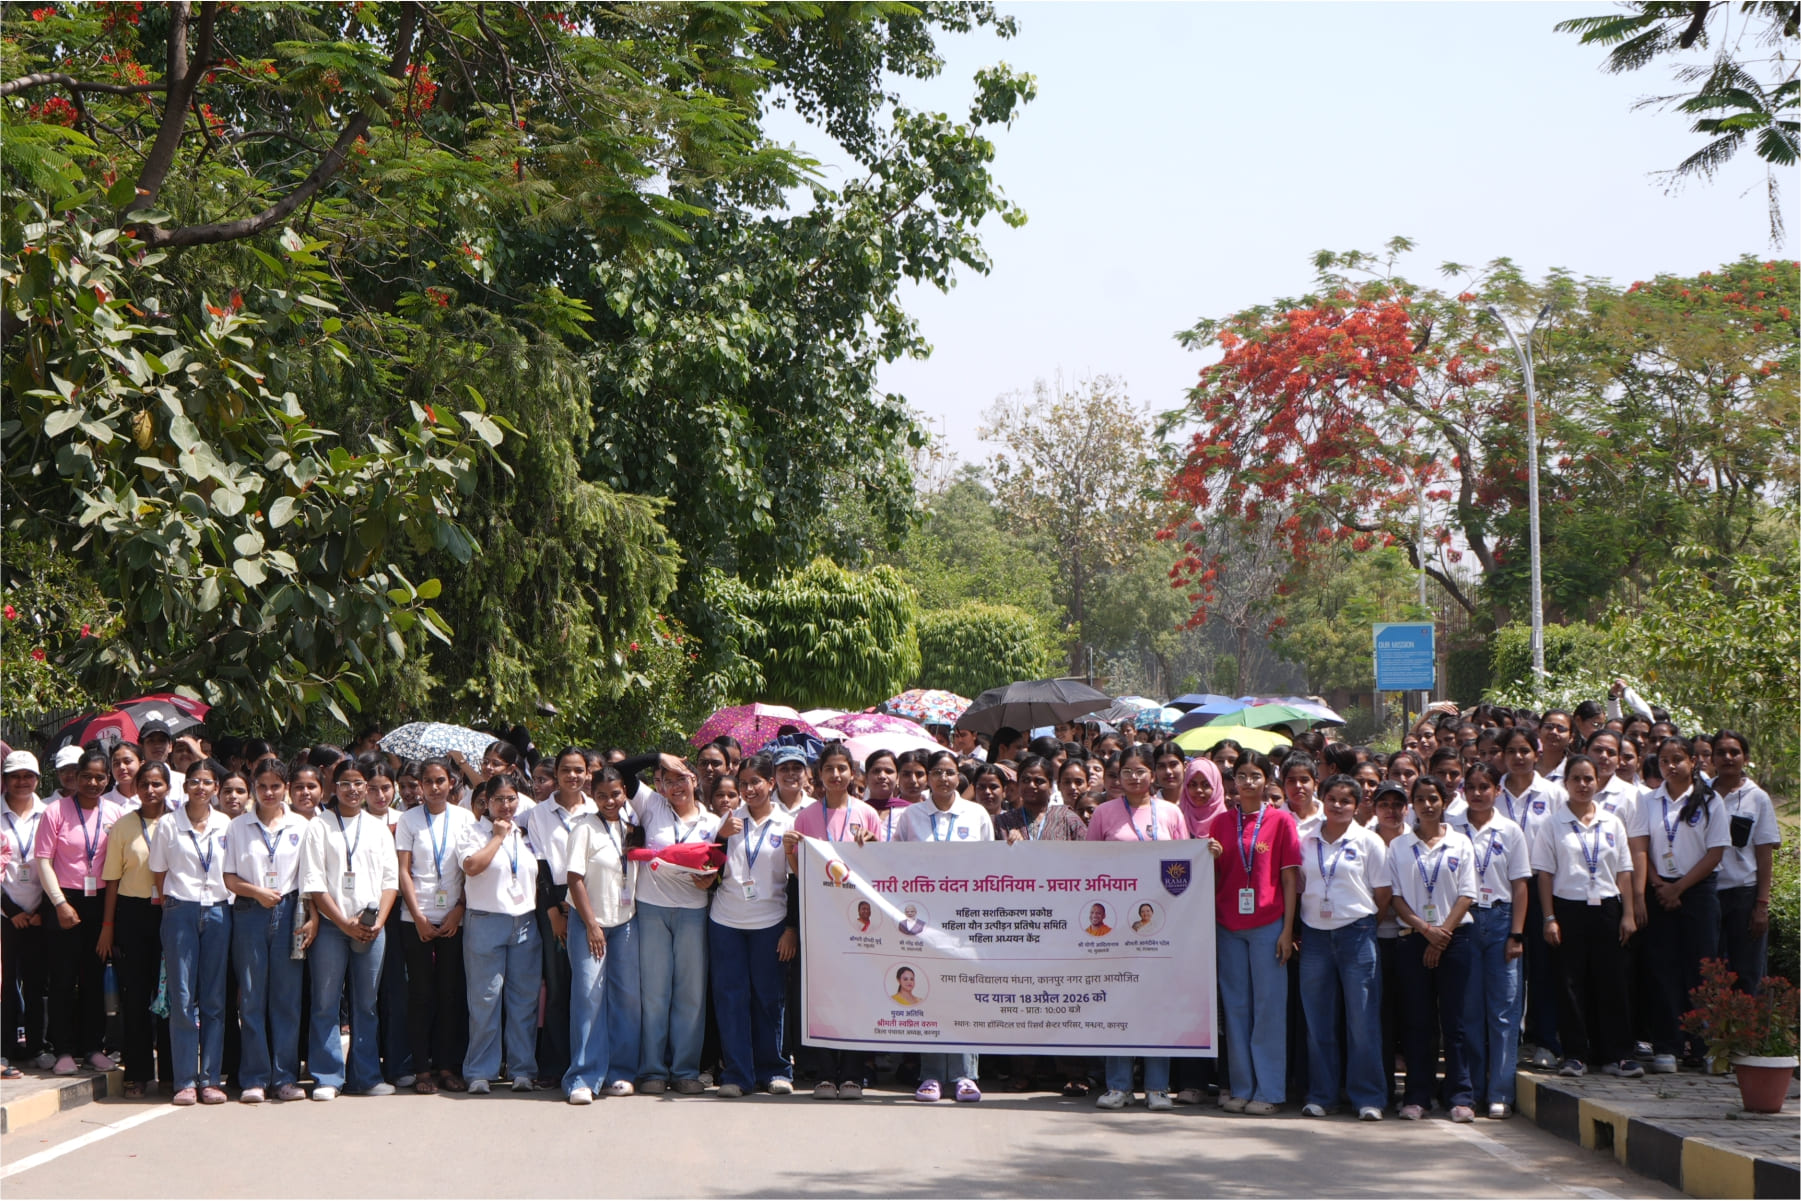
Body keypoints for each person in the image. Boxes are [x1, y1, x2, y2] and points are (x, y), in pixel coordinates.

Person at [1087, 744, 1195, 1111]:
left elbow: (1185, 866)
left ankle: (1157, 1087)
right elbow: (1087, 867)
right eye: (1127, 771)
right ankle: (1118, 1085)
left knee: (1157, 1003)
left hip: (1160, 923)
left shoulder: (1170, 812)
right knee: (1119, 1001)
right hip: (1116, 924)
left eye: (1141, 771)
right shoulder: (1103, 813)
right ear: (1117, 776)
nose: (1134, 778)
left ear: (1153, 775)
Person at [298, 756, 400, 1100]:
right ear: (333, 787)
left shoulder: (377, 827)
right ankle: (327, 1077)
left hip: (372, 927)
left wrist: (379, 921)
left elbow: (390, 881)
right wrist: (343, 922)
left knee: (366, 1003)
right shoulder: (320, 826)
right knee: (326, 1003)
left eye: (360, 784)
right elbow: (313, 882)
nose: (354, 790)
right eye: (346, 784)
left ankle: (366, 1076)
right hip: (330, 926)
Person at [1533, 753, 1639, 1078]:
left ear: (1598, 782)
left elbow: (1624, 870)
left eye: (1588, 778)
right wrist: (1549, 918)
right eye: (1576, 778)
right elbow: (1545, 875)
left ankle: (1617, 1054)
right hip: (1568, 908)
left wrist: (1629, 914)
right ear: (1565, 783)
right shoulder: (1553, 824)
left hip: (1608, 907)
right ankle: (1575, 1054)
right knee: (1570, 983)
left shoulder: (1612, 822)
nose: (1583, 785)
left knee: (1612, 981)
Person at [893, 749, 991, 1103]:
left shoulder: (976, 814)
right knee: (930, 989)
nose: (944, 779)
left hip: (966, 918)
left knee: (964, 990)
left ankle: (966, 1075)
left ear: (958, 777)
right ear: (927, 777)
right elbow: (895, 863)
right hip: (926, 920)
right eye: (937, 772)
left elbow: (989, 865)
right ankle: (932, 1075)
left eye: (950, 773)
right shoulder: (911, 816)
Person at [785, 742, 879, 1099]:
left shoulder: (868, 815)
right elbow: (798, 873)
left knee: (855, 995)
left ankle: (853, 1073)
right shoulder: (807, 817)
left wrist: (871, 845)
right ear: (819, 775)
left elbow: (880, 874)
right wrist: (788, 850)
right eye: (829, 770)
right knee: (822, 996)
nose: (836, 775)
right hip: (819, 919)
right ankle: (824, 1073)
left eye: (842, 768)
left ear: (852, 773)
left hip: (858, 920)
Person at [1297, 774, 1392, 1121]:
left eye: (1346, 800)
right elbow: (1300, 885)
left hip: (1357, 933)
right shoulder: (1304, 840)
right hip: (1315, 936)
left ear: (1357, 805)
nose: (1338, 805)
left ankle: (1368, 1097)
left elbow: (1383, 895)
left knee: (1362, 1021)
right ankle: (1322, 1095)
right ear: (1322, 800)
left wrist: (1363, 925)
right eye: (1332, 799)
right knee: (1318, 1022)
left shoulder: (1369, 841)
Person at [1209, 760, 1300, 1117]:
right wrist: (1210, 857)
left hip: (1268, 924)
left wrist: (1287, 929)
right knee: (1235, 1010)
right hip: (1227, 925)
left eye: (1255, 776)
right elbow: (1211, 878)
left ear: (1267, 781)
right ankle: (1242, 1087)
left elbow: (1290, 879)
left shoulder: (1281, 820)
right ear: (1233, 782)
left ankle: (1270, 1090)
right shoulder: (1220, 822)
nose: (1247, 782)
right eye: (1242, 776)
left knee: (1269, 1009)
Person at [626, 753, 720, 1095]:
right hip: (652, 909)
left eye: (683, 778)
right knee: (654, 993)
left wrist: (713, 879)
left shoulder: (712, 820)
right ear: (659, 785)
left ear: (695, 781)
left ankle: (684, 1070)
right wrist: (657, 756)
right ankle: (652, 1069)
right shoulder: (652, 806)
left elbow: (719, 864)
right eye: (668, 779)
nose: (676, 785)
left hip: (693, 910)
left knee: (690, 995)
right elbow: (619, 771)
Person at [1387, 774, 1479, 1122]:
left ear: (1444, 802)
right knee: (1417, 1022)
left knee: (1454, 1023)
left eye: (1434, 799)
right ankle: (1417, 1095)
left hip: (1455, 938)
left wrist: (1442, 935)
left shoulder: (1460, 843)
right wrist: (1427, 931)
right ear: (1413, 805)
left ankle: (1460, 1096)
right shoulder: (1399, 846)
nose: (1428, 805)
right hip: (1413, 939)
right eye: (1421, 799)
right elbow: (1395, 898)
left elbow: (1467, 894)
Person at [147, 758, 235, 1105]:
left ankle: (210, 1078)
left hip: (218, 909)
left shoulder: (226, 823)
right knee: (182, 997)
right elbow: (158, 871)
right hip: (180, 910)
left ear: (216, 788)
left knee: (214, 997)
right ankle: (184, 1080)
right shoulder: (169, 824)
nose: (201, 788)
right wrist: (173, 905)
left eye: (208, 782)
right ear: (186, 787)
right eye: (195, 781)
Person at [222, 757, 309, 1103]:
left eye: (275, 786)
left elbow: (310, 879)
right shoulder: (238, 827)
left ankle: (285, 1077)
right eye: (262, 786)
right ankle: (255, 1077)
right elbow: (228, 877)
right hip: (249, 911)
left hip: (290, 911)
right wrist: (257, 892)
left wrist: (310, 918)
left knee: (286, 1000)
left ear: (285, 788)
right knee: (252, 998)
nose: (269, 792)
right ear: (253, 789)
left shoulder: (301, 825)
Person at [709, 761, 797, 1099]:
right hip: (726, 921)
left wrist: (791, 927)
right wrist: (719, 837)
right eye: (743, 783)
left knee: (768, 998)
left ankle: (774, 1070)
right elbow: (709, 869)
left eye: (755, 782)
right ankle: (736, 1074)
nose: (748, 789)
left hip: (770, 922)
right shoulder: (729, 821)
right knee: (730, 999)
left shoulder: (788, 823)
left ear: (771, 783)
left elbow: (796, 880)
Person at [35, 748, 124, 1075]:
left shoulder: (115, 813)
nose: (93, 782)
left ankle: (92, 1046)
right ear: (75, 776)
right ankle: (63, 1050)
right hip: (64, 900)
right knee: (62, 979)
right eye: (86, 776)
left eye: (100, 777)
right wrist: (59, 903)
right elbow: (43, 859)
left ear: (107, 779)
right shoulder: (54, 811)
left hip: (100, 900)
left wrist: (108, 921)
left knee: (94, 977)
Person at [1640, 737, 1728, 1072]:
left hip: (1698, 892)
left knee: (1701, 969)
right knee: (1663, 969)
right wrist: (1660, 885)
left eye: (1678, 759)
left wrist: (1680, 888)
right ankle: (1668, 1044)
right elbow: (1640, 847)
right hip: (1659, 888)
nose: (1671, 766)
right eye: (1664, 760)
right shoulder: (1649, 801)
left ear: (1693, 761)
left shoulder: (1710, 801)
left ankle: (1705, 1046)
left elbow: (1716, 851)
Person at [1452, 762, 1532, 1119]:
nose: (1478, 793)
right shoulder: (1452, 828)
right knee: (1469, 1012)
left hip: (1501, 920)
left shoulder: (1510, 830)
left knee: (1502, 1012)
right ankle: (1473, 1091)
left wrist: (1516, 933)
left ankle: (1500, 1092)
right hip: (1465, 921)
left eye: (1485, 786)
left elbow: (1519, 884)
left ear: (1497, 791)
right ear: (1463, 791)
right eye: (1472, 787)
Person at [457, 772, 542, 1094]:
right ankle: (480, 1071)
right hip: (485, 920)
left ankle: (522, 1069)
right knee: (485, 999)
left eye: (510, 799)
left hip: (524, 922)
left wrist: (510, 834)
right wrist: (496, 837)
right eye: (498, 800)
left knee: (524, 1000)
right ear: (485, 803)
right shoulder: (473, 832)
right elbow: (472, 866)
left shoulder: (526, 831)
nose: (505, 806)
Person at [394, 756, 474, 1094]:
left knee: (450, 994)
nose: (435, 787)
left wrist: (459, 909)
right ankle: (421, 1068)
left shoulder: (465, 818)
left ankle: (447, 1065)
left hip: (454, 917)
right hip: (417, 918)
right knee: (421, 995)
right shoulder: (409, 820)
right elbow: (403, 872)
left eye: (441, 780)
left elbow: (471, 869)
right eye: (428, 782)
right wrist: (418, 917)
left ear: (451, 782)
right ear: (420, 786)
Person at [95, 759, 174, 1098]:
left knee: (171, 995)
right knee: (136, 996)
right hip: (132, 915)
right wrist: (108, 927)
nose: (151, 790)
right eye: (145, 784)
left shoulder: (178, 823)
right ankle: (138, 1073)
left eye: (157, 783)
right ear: (137, 788)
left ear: (167, 787)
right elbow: (111, 880)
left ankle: (172, 1073)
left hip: (172, 913)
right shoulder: (124, 826)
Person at [563, 765, 643, 1102]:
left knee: (626, 999)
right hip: (589, 924)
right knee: (588, 998)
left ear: (624, 790)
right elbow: (574, 878)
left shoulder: (633, 826)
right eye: (601, 795)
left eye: (615, 794)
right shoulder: (583, 828)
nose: (609, 800)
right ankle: (582, 1076)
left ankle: (620, 1073)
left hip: (625, 921)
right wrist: (592, 924)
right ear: (591, 796)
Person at [522, 748, 597, 1090]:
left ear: (587, 774)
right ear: (556, 773)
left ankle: (590, 1060)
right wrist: (553, 911)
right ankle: (554, 1064)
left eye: (579, 770)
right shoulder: (539, 813)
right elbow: (539, 864)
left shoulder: (596, 810)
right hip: (552, 904)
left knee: (589, 987)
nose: (573, 776)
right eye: (566, 770)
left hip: (590, 902)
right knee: (556, 986)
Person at [1497, 726, 1567, 1070]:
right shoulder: (1491, 793)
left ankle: (1546, 1040)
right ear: (1502, 756)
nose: (1519, 757)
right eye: (1512, 751)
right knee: (1506, 968)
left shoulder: (1553, 793)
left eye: (1525, 750)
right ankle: (1508, 1040)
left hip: (1540, 887)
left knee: (1542, 968)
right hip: (1500, 888)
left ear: (1536, 753)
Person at [1709, 731, 1781, 994]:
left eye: (1734, 752)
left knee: (1747, 971)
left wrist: (1762, 905)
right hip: (1708, 893)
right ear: (1711, 757)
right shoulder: (1701, 794)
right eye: (1721, 752)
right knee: (1709, 971)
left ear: (1746, 758)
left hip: (1744, 894)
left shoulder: (1757, 797)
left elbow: (1764, 853)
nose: (1728, 758)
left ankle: (1750, 1033)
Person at [2, 753, 51, 1076]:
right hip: (5, 915)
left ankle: (37, 1046)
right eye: (15, 775)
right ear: (5, 779)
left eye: (28, 775)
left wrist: (41, 909)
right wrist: (11, 910)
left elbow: (58, 863)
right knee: (5, 986)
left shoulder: (49, 813)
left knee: (37, 984)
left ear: (38, 779)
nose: (22, 781)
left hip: (40, 912)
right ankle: (4, 1050)